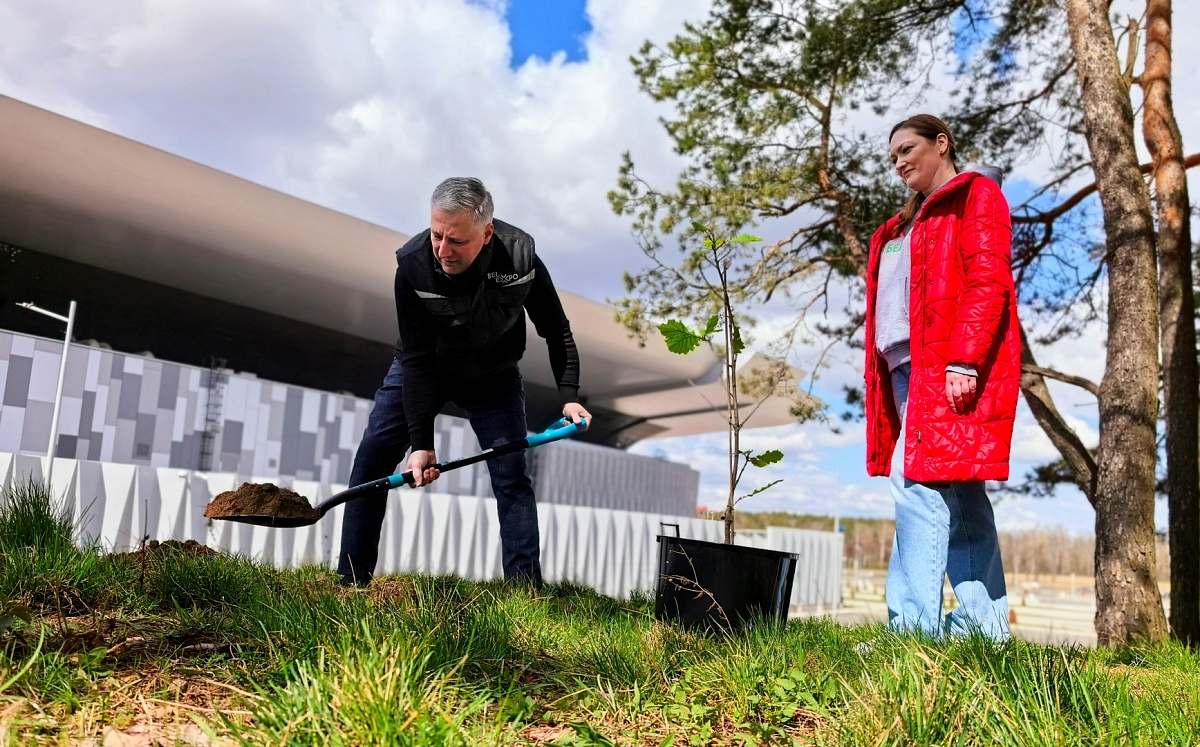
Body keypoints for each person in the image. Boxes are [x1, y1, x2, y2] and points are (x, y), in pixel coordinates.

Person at [337, 177, 591, 588]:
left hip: (493, 377)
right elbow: (416, 358)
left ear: (486, 233)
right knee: (370, 466)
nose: (442, 250)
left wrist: (569, 397)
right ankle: (351, 582)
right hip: (424, 370)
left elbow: (556, 330)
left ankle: (527, 595)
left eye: (455, 241)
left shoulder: (521, 259)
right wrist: (421, 443)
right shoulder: (413, 265)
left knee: (512, 478)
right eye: (437, 235)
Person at [863, 114, 1020, 639]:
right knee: (961, 494)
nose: (900, 162)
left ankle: (911, 630)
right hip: (905, 368)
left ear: (942, 143)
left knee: (914, 485)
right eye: (893, 157)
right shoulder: (903, 224)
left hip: (943, 368)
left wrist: (964, 360)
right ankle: (984, 628)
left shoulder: (975, 196)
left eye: (908, 149)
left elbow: (988, 279)